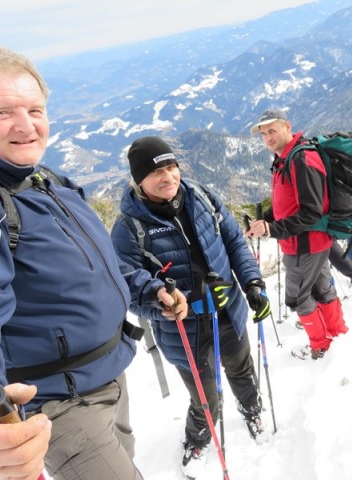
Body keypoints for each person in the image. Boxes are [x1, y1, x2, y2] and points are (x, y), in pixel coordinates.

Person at [0, 43, 187, 480]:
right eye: (3, 112)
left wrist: (149, 291)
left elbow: (101, 266)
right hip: (59, 405)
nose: (26, 126)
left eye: (35, 110)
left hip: (106, 379)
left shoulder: (44, 181)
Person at [110, 136, 271, 479]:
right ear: (139, 180)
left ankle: (252, 408)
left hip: (228, 310)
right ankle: (198, 436)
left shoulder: (201, 197)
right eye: (156, 172)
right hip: (184, 327)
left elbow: (233, 242)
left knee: (241, 368)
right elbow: (127, 281)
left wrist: (253, 282)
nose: (168, 176)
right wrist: (160, 300)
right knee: (204, 395)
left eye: (171, 167)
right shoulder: (129, 228)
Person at [246, 108, 348, 360]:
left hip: (305, 244)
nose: (268, 137)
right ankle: (338, 334)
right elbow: (287, 203)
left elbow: (311, 211)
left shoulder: (301, 158)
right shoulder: (286, 158)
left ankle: (320, 346)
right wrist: (266, 219)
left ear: (287, 126)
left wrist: (272, 230)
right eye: (263, 133)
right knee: (321, 288)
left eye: (272, 130)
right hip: (308, 243)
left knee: (297, 297)